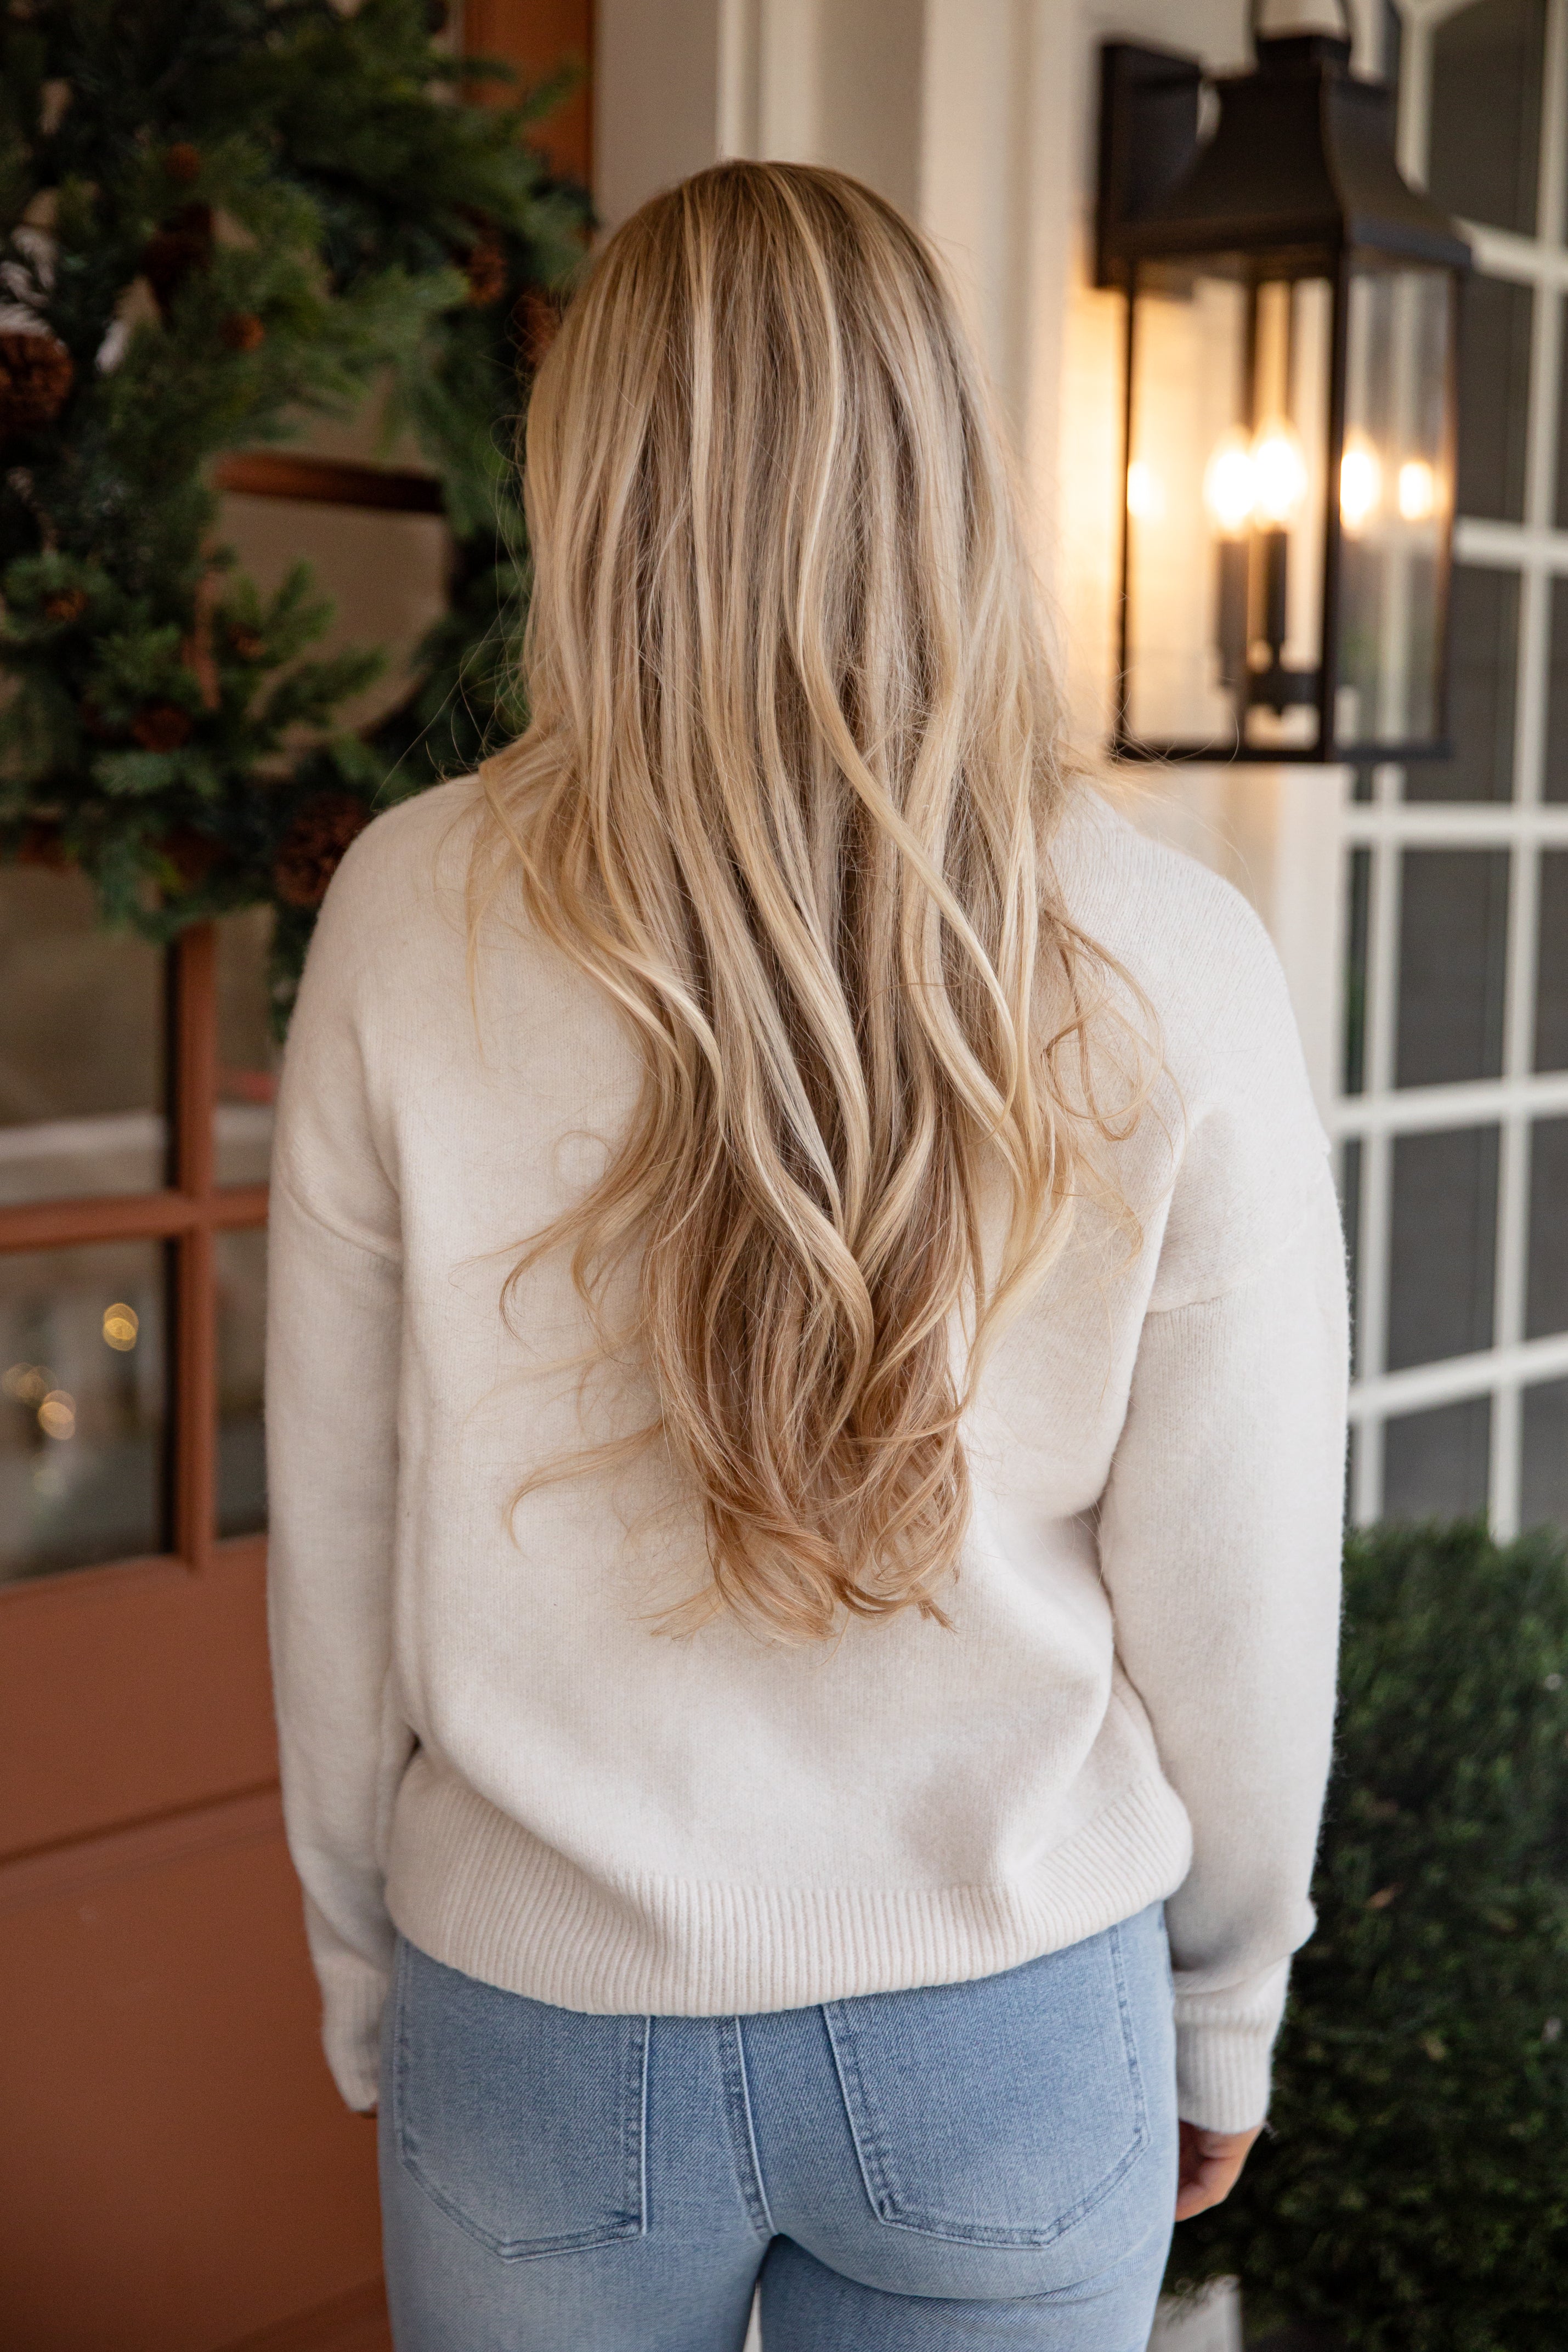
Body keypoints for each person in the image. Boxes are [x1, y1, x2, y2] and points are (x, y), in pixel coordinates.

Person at [267, 161, 1347, 2352]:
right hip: (1009, 2015)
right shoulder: (1167, 951)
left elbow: (340, 1527)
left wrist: (367, 1961)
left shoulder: (409, 907)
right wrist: (1227, 1999)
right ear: (944, 468)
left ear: (584, 481)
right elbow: (1243, 1585)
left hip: (536, 2021)